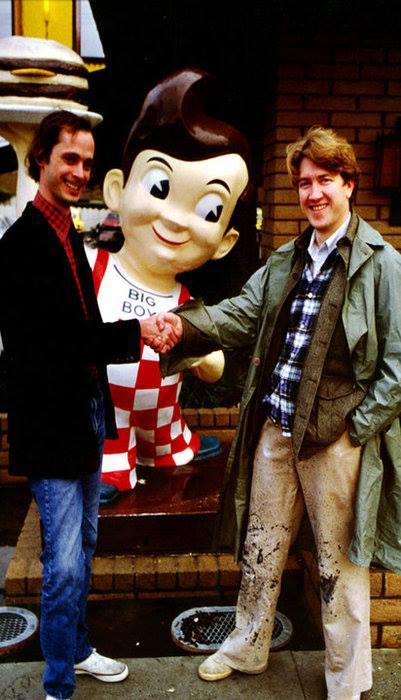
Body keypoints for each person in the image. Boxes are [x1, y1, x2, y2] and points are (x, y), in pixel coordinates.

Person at [153, 126, 401, 699]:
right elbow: (241, 313)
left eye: (325, 181)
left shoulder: (381, 263)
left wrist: (357, 429)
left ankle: (348, 679)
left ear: (349, 185)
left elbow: (396, 365)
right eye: (305, 182)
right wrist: (184, 324)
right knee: (262, 543)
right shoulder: (290, 258)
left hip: (336, 439)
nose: (313, 193)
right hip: (277, 426)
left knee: (340, 565)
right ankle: (247, 645)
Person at [0, 110, 176, 700]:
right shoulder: (21, 245)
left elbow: (84, 324)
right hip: (52, 428)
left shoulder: (64, 230)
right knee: (64, 564)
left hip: (85, 416)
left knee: (86, 547)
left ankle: (76, 648)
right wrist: (140, 331)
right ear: (42, 160)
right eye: (69, 159)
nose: (79, 171)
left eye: (86, 161)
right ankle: (57, 684)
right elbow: (60, 338)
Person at [86, 68, 251, 502]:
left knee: (167, 428)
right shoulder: (93, 271)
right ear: (117, 190)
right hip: (106, 419)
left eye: (210, 210)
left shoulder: (185, 301)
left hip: (165, 422)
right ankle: (112, 457)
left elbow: (208, 362)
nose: (176, 219)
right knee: (106, 426)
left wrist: (206, 355)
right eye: (159, 186)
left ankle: (165, 446)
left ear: (224, 243)